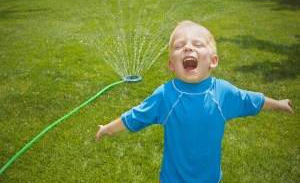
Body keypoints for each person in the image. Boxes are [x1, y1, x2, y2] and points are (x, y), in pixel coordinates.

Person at [95, 20, 293, 182]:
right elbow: (137, 115)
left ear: (213, 61)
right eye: (180, 46)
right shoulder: (166, 95)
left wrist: (278, 103)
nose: (188, 47)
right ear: (172, 65)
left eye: (197, 44)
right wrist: (109, 128)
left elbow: (251, 100)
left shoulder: (222, 93)